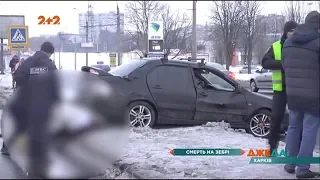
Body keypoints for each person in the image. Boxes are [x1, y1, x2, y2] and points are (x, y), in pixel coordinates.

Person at [1, 41, 57, 156]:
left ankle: (7, 147)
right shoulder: (50, 65)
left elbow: (17, 77)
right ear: (49, 53)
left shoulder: (28, 62)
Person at [282, 11, 320, 179]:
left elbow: (284, 66)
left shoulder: (288, 41)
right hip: (314, 95)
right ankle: (303, 168)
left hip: (293, 93)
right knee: (310, 130)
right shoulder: (318, 43)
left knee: (293, 127)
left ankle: (290, 163)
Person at [261, 20, 298, 152]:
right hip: (280, 90)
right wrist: (283, 64)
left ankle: (294, 149)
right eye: (291, 31)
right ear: (285, 32)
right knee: (276, 118)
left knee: (297, 120)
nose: (293, 34)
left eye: (295, 31)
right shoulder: (276, 46)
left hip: (296, 89)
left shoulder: (300, 45)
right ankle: (272, 147)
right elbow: (265, 62)